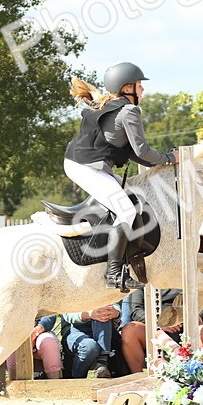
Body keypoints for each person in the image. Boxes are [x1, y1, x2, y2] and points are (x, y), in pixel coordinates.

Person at [64, 63, 176, 291]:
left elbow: (136, 154)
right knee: (126, 210)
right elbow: (143, 151)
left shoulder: (113, 106)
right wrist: (170, 158)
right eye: (139, 85)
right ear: (127, 88)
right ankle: (114, 273)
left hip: (82, 164)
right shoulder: (129, 111)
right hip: (86, 167)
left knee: (127, 202)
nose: (143, 90)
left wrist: (164, 160)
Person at [39, 305, 120, 378]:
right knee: (89, 347)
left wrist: (115, 312)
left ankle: (102, 363)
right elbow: (68, 315)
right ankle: (76, 379)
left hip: (104, 331)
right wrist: (89, 314)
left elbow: (115, 304)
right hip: (75, 330)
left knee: (103, 312)